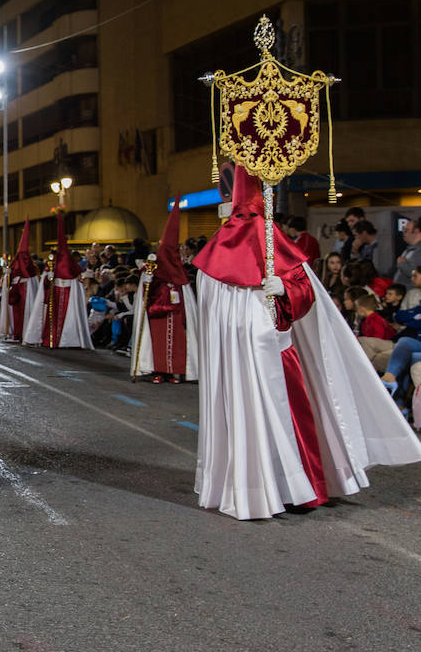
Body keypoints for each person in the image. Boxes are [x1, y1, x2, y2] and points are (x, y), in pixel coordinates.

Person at [193, 166, 421, 521]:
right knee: (256, 418)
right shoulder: (218, 253)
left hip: (275, 348)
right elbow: (211, 309)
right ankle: (263, 487)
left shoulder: (269, 241)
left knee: (292, 417)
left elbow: (305, 291)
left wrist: (284, 290)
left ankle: (296, 486)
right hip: (243, 354)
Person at [130, 201, 200, 384]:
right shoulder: (154, 267)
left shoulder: (179, 270)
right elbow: (146, 289)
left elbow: (186, 291)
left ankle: (174, 372)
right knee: (159, 342)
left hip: (175, 313)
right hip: (158, 312)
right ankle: (158, 371)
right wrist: (147, 278)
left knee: (176, 342)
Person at [41, 213, 94, 349]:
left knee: (68, 317)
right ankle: (53, 338)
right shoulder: (54, 263)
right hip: (56, 291)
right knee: (54, 316)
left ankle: (68, 340)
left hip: (68, 294)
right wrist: (49, 276)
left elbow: (77, 278)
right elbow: (46, 281)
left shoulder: (70, 264)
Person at [7, 221, 43, 345]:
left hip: (27, 292)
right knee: (17, 314)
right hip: (17, 291)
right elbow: (10, 278)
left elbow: (33, 279)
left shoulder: (31, 268)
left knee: (26, 312)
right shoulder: (17, 265)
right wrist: (7, 275)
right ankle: (17, 333)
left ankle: (26, 334)